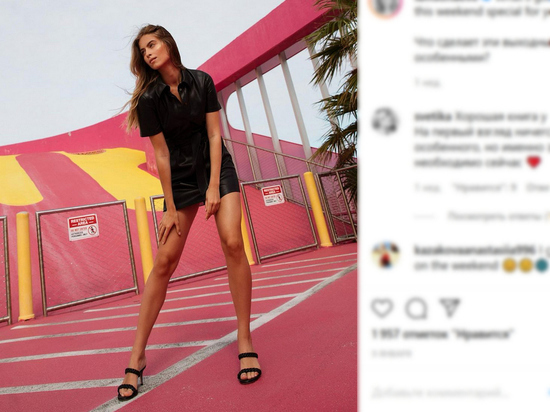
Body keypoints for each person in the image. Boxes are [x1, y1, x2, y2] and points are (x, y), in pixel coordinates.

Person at [117, 25, 261, 402]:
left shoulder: (202, 81)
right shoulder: (149, 100)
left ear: (167, 43)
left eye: (152, 44)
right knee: (164, 261)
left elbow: (214, 135)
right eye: (143, 50)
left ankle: (244, 338)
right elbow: (161, 155)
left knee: (233, 242)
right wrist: (169, 206)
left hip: (216, 168)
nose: (148, 53)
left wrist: (213, 186)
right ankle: (137, 356)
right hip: (179, 179)